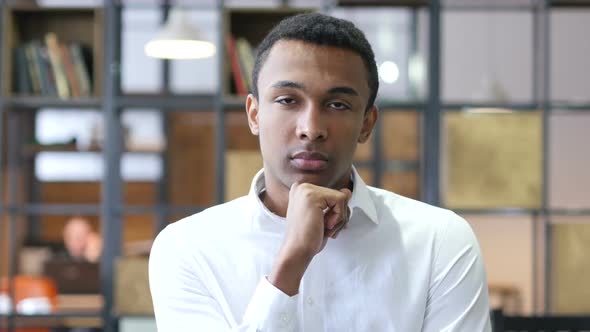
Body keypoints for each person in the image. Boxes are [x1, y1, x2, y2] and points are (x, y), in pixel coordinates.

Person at [149, 13, 491, 331]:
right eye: (287, 100)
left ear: (367, 123)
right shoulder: (187, 248)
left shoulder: (440, 241)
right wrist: (291, 262)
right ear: (254, 114)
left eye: (337, 104)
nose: (311, 128)